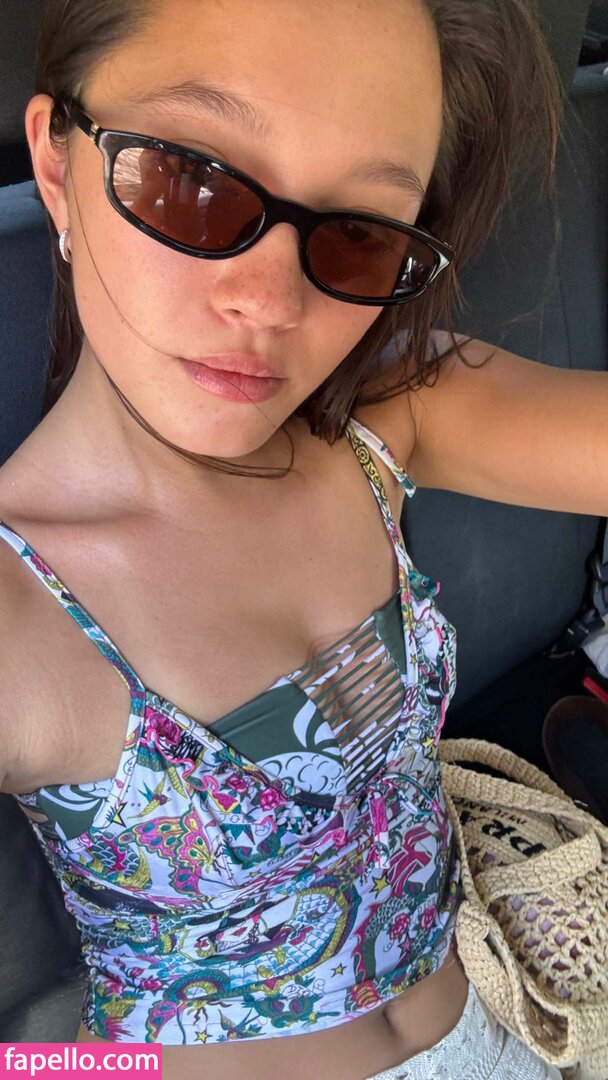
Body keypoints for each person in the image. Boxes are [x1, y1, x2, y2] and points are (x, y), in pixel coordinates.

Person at [1, 0, 601, 1075]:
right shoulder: (18, 606)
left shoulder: (383, 421)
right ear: (56, 166)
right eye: (190, 182)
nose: (273, 303)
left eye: (361, 231)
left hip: (494, 1031)